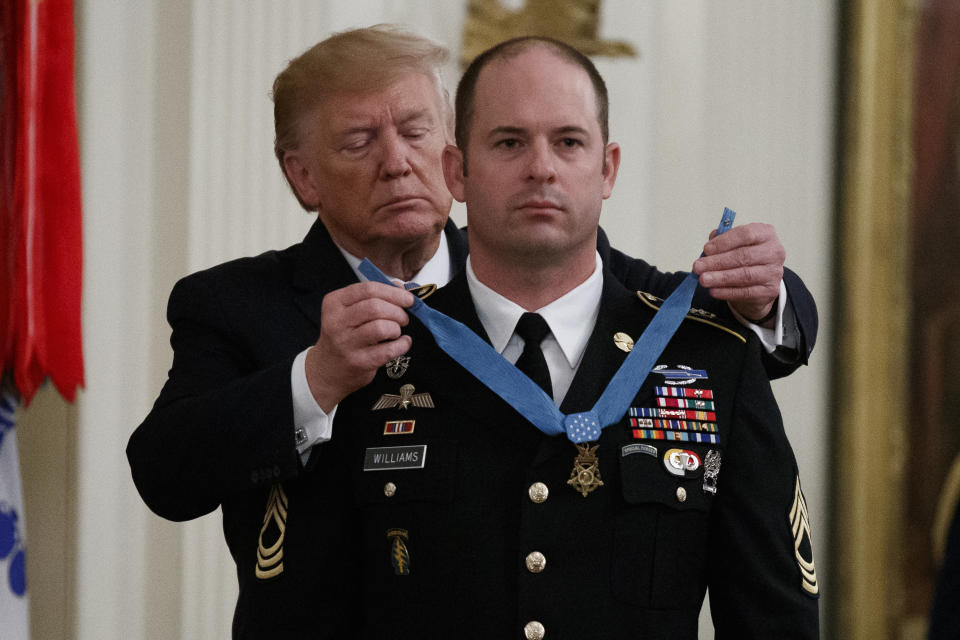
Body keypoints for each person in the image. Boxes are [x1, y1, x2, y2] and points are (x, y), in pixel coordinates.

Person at [126, 26, 818, 637]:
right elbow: (169, 469)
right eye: (359, 140)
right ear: (302, 175)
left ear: (449, 159)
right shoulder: (267, 317)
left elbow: (671, 320)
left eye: (417, 131)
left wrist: (764, 300)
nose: (398, 161)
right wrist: (314, 380)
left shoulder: (545, 261)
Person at [336, 36, 819, 638]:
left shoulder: (706, 356)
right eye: (510, 142)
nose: (542, 167)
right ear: (456, 172)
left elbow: (774, 619)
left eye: (568, 142)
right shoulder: (377, 356)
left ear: (607, 168)